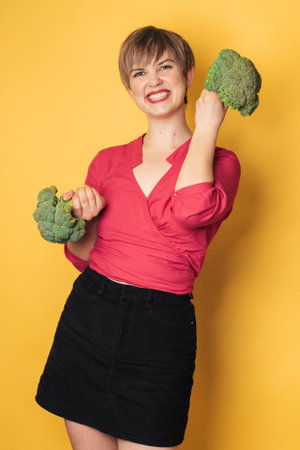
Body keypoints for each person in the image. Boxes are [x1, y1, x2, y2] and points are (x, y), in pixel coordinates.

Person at [35, 25, 241, 450]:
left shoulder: (222, 161)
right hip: (89, 317)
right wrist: (82, 224)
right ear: (130, 90)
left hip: (160, 331)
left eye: (166, 67)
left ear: (188, 77)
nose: (154, 81)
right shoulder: (107, 161)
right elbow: (85, 255)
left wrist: (206, 128)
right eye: (139, 74)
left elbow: (191, 208)